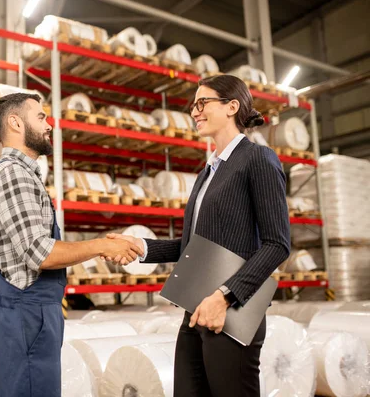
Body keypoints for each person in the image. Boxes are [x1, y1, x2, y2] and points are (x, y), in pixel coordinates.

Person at [108, 75, 290, 396]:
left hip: (231, 311)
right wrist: (142, 247)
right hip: (196, 308)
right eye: (193, 105)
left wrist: (225, 296)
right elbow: (194, 247)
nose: (195, 111)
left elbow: (277, 245)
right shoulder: (207, 172)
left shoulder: (258, 159)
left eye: (202, 102)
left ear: (232, 106)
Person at [0, 92, 143, 397]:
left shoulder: (24, 174)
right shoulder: (13, 175)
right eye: (40, 117)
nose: (48, 124)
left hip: (30, 313)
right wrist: (102, 246)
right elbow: (40, 253)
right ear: (15, 123)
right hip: (26, 314)